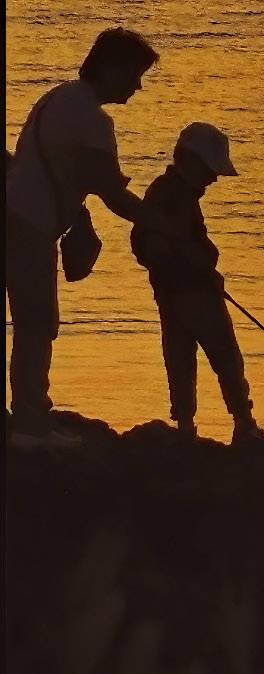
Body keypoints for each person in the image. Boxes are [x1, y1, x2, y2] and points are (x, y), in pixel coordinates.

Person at [6, 28, 179, 443]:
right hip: (29, 227)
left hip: (12, 211)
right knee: (36, 324)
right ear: (111, 68)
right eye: (135, 75)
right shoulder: (92, 120)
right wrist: (162, 224)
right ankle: (30, 424)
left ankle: (24, 419)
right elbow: (113, 193)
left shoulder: (57, 97)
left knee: (27, 322)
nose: (138, 86)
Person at [130, 122, 260, 445]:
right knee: (224, 356)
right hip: (191, 294)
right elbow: (150, 243)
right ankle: (243, 423)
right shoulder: (172, 197)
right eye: (210, 170)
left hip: (172, 293)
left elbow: (150, 244)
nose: (214, 178)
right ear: (190, 162)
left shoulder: (171, 192)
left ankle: (187, 427)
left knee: (179, 358)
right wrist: (198, 267)